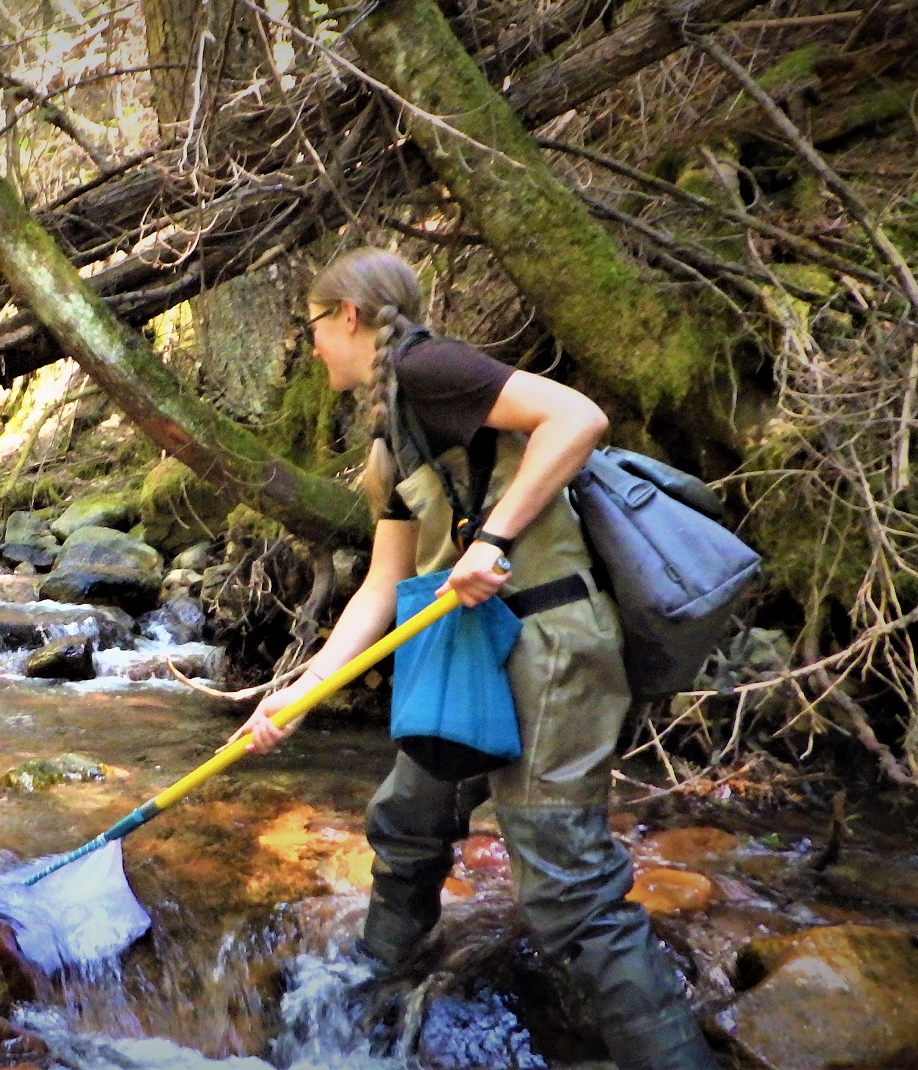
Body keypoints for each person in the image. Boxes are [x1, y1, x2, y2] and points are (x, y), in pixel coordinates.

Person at [231, 247, 719, 1069]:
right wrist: (301, 692)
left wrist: (493, 537)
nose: (309, 346)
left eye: (311, 325)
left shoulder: (430, 366)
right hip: (462, 654)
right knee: (408, 819)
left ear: (346, 315)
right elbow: (384, 584)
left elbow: (578, 417)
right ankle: (371, 993)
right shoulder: (389, 434)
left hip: (550, 647)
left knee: (569, 888)